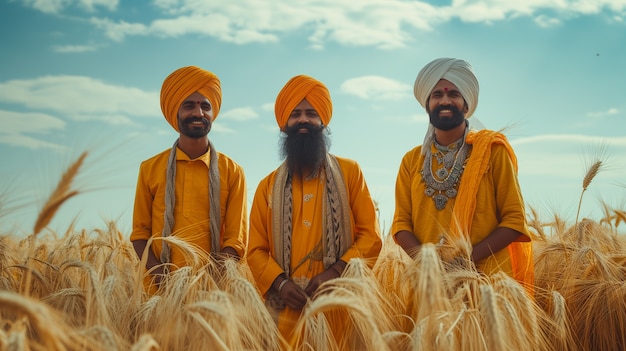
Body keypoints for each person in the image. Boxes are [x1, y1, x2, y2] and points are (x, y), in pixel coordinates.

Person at [247, 75, 383, 341]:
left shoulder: (350, 173)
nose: (303, 120)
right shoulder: (267, 186)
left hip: (339, 308)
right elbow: (255, 250)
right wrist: (281, 284)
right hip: (286, 313)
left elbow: (370, 236)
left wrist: (334, 273)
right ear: (284, 124)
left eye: (311, 113)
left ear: (323, 121)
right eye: (295, 114)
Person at [391, 58, 533, 292]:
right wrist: (428, 265)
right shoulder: (411, 160)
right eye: (436, 95)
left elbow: (514, 221)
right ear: (427, 104)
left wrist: (464, 261)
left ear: (466, 105)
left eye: (454, 94)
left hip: (487, 285)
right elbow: (401, 223)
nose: (445, 100)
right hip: (429, 287)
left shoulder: (493, 152)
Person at [130, 66, 248, 292]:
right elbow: (139, 234)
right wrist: (160, 276)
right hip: (158, 293)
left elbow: (236, 239)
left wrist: (210, 281)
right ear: (175, 111)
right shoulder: (150, 169)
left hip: (213, 292)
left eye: (205, 106)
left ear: (213, 113)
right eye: (189, 105)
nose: (198, 113)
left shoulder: (233, 172)